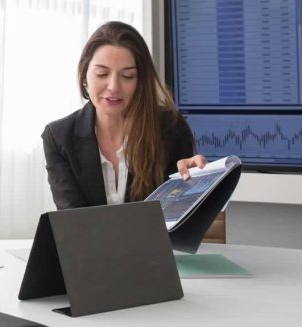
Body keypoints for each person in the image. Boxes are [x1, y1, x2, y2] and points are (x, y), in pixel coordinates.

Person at [42, 21, 206, 209]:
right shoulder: (58, 138)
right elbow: (72, 219)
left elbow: (178, 215)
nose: (113, 87)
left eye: (128, 76)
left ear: (141, 81)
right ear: (84, 75)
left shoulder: (171, 129)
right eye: (102, 74)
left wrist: (196, 184)